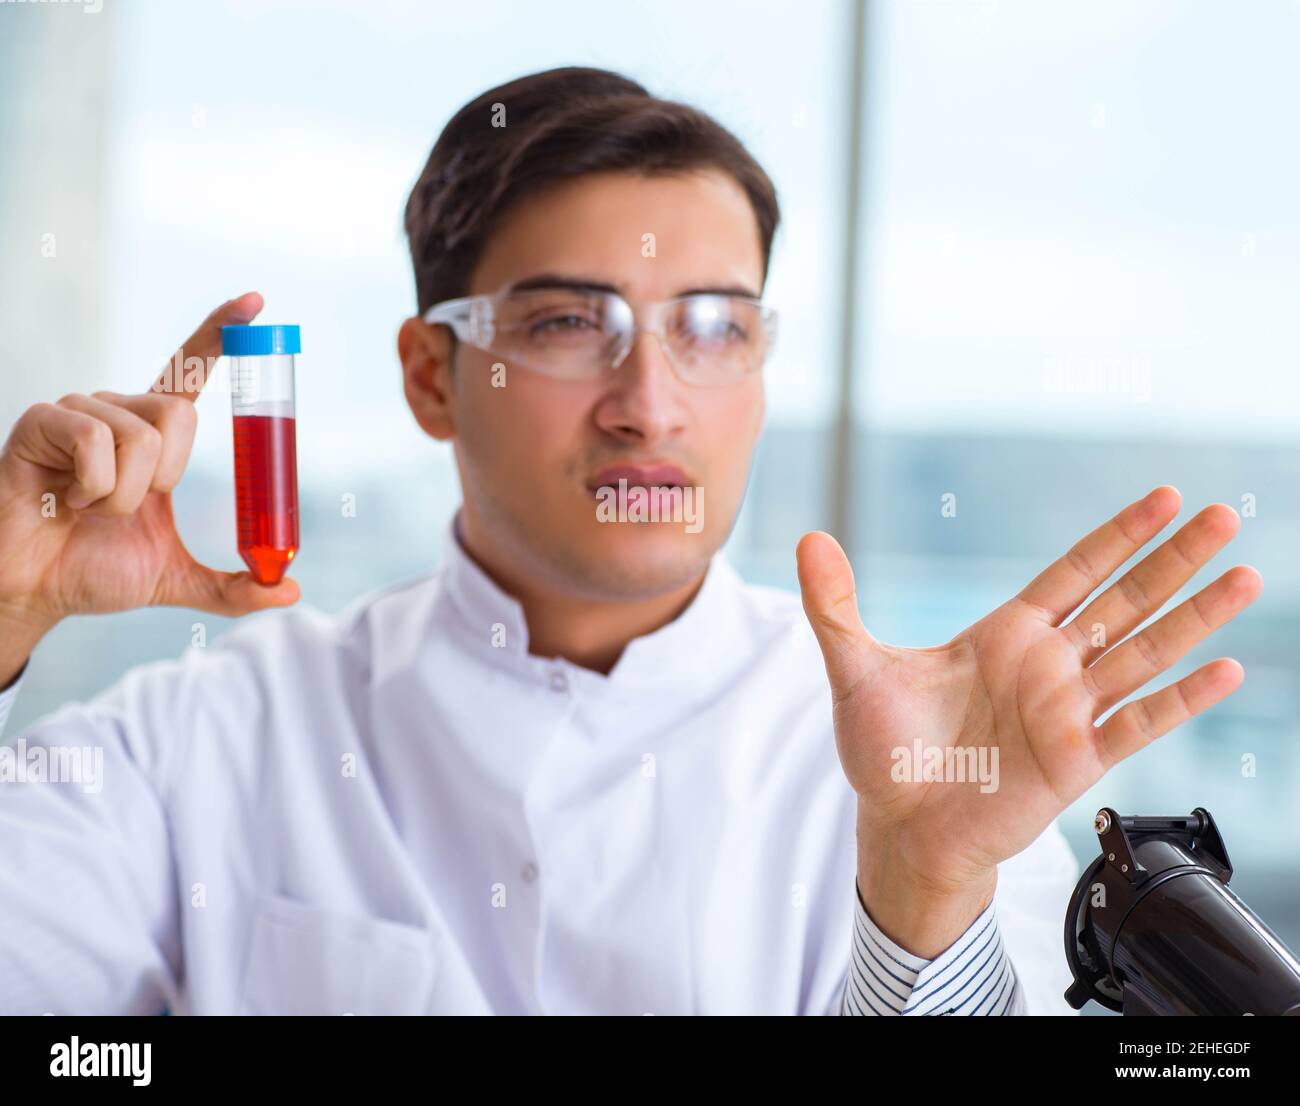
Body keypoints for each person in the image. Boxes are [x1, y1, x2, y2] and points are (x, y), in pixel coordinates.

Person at [0, 67, 1261, 1015]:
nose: (649, 400)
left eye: (712, 325)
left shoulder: (927, 773)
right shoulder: (203, 739)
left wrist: (924, 901)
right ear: (432, 374)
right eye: (565, 322)